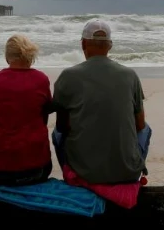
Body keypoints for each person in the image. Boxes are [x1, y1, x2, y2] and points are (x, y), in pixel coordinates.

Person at [51, 19, 151, 185]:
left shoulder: (68, 76)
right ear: (110, 45)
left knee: (57, 133)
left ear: (83, 44)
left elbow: (62, 126)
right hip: (126, 174)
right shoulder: (130, 75)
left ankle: (71, 173)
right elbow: (139, 125)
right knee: (146, 129)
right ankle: (134, 170)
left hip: (84, 173)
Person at [0, 34, 53, 186]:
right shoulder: (40, 80)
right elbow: (43, 118)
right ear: (30, 57)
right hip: (33, 172)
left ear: (7, 58)